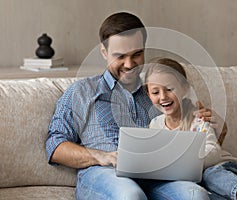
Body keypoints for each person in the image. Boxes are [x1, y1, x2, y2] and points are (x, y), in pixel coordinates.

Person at [46, 12, 218, 200]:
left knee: (196, 196)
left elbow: (194, 140)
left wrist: (213, 127)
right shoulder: (82, 91)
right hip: (105, 174)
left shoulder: (157, 92)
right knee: (130, 195)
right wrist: (99, 156)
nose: (129, 64)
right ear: (104, 52)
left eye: (137, 54)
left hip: (157, 176)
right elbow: (55, 146)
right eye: (119, 56)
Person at [145, 57, 237, 200]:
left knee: (210, 175)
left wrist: (183, 161)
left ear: (184, 88)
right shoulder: (154, 125)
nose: (163, 97)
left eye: (169, 89)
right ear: (149, 95)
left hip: (219, 167)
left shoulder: (198, 119)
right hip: (193, 179)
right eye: (155, 92)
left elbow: (213, 151)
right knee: (196, 191)